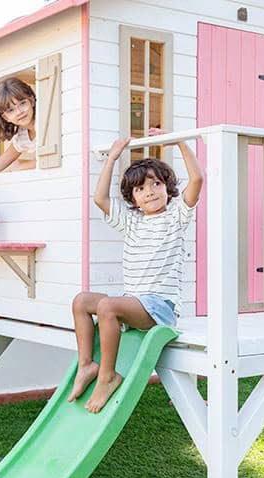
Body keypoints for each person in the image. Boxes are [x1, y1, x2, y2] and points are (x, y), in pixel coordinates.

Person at [68, 128, 204, 413]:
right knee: (82, 301)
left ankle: (108, 376)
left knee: (107, 306)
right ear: (133, 198)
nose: (149, 192)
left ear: (167, 187)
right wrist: (113, 157)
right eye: (140, 189)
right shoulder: (132, 221)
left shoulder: (177, 215)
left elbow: (197, 179)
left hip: (160, 308)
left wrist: (177, 140)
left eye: (155, 184)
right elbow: (100, 199)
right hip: (134, 302)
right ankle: (87, 366)